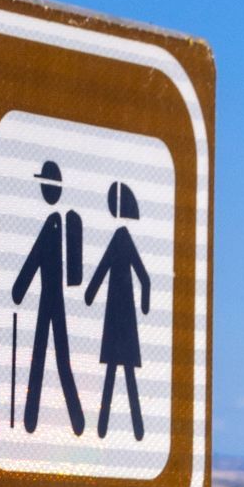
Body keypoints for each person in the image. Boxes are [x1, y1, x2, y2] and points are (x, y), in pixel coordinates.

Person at [9, 159, 86, 435]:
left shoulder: (54, 223)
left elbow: (34, 260)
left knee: (44, 357)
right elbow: (73, 274)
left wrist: (18, 289)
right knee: (53, 358)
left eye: (44, 184)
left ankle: (37, 419)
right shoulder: (67, 221)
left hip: (49, 300)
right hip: (54, 301)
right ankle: (69, 420)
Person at [83, 180, 153, 442]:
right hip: (120, 318)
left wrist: (90, 294)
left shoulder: (121, 239)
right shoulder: (122, 239)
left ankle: (122, 428)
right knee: (120, 373)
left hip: (119, 318)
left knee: (120, 372)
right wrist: (90, 294)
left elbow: (143, 277)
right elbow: (141, 278)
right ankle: (118, 429)